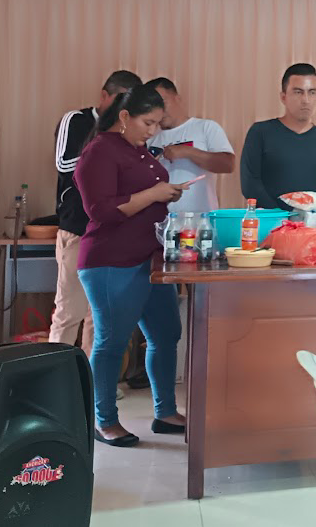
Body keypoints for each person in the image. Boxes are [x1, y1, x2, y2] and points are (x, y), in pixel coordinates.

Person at [75, 84, 191, 447]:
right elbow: (101, 211)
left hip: (149, 259)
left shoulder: (136, 150)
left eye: (158, 124)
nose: (153, 131)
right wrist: (154, 194)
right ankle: (104, 421)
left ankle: (165, 411)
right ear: (124, 116)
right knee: (111, 343)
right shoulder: (100, 151)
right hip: (111, 260)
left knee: (166, 335)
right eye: (147, 122)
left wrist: (165, 194)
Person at [50, 70, 141, 363]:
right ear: (104, 96)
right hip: (78, 229)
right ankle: (52, 379)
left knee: (100, 317)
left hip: (114, 233)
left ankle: (92, 381)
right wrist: (107, 151)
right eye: (119, 100)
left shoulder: (129, 131)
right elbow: (64, 164)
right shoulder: (76, 120)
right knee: (69, 312)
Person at [240, 63, 316, 210]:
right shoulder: (260, 132)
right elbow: (250, 184)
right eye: (298, 92)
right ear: (283, 97)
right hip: (272, 222)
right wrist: (282, 217)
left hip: (315, 223)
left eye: (312, 92)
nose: (306, 100)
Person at [145, 77, 235, 213]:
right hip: (159, 220)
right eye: (152, 106)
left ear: (178, 99)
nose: (159, 110)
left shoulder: (205, 127)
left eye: (162, 102)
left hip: (200, 220)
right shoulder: (148, 137)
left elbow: (228, 164)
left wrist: (188, 152)